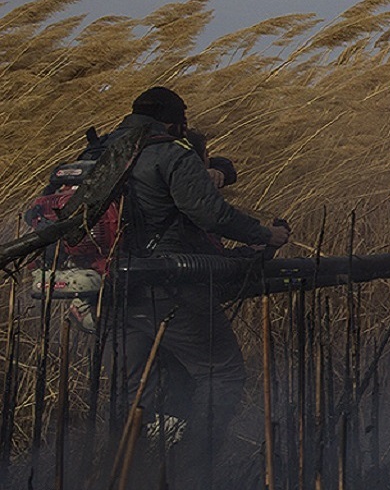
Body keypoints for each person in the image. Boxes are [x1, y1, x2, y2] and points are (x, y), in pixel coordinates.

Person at [114, 86, 289, 487]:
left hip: (114, 292)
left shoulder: (103, 152)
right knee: (222, 374)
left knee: (138, 390)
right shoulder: (170, 153)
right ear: (174, 122)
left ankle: (131, 470)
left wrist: (217, 171)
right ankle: (191, 471)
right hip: (169, 285)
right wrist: (265, 235)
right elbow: (212, 215)